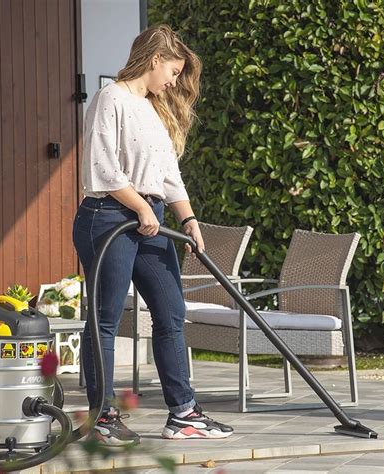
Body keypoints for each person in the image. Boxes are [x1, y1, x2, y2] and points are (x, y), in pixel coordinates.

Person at [72, 24, 233, 445]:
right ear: (155, 59)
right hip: (109, 218)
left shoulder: (152, 109)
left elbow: (167, 175)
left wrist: (189, 220)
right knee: (105, 319)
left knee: (170, 313)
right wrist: (141, 207)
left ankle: (183, 414)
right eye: (174, 71)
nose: (175, 81)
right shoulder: (113, 99)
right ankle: (102, 417)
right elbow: (101, 168)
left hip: (152, 221)